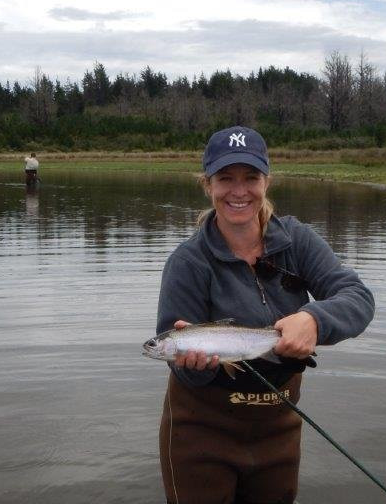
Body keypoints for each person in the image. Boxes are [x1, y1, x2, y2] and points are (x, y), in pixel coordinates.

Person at [155, 125, 374, 504]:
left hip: (279, 428)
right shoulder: (188, 261)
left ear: (267, 181)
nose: (239, 191)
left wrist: (314, 319)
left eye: (250, 178)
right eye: (226, 178)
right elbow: (176, 355)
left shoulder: (298, 241)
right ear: (207, 185)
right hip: (199, 432)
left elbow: (357, 297)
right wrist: (192, 364)